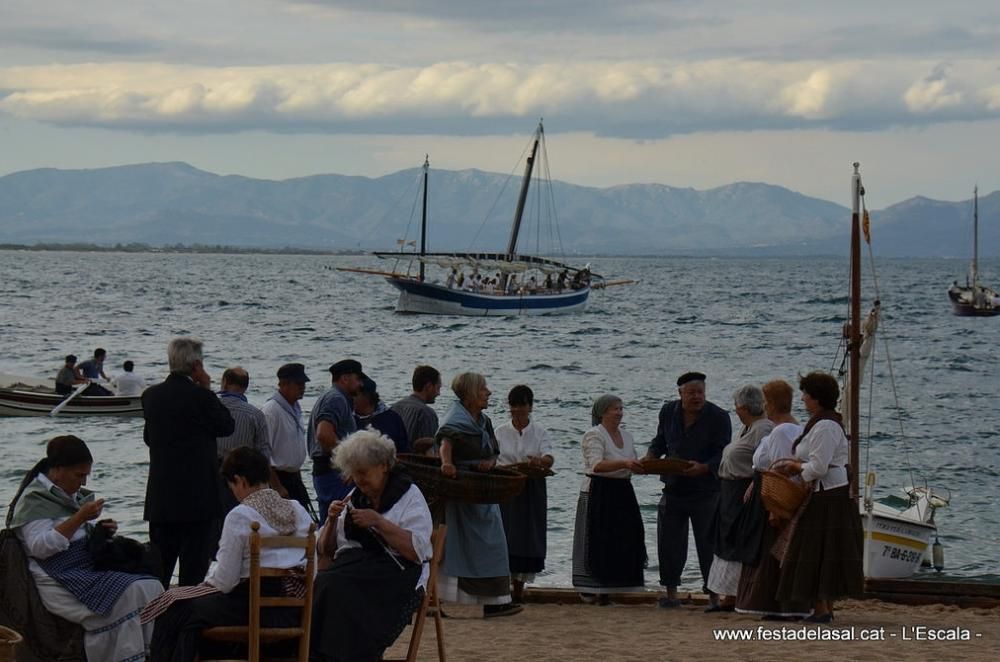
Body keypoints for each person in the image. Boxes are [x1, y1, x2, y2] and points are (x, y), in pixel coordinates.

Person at [146, 447, 313, 662]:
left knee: (173, 608)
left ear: (240, 481)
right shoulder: (298, 510)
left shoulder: (241, 515)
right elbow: (311, 564)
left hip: (251, 606)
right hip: (290, 610)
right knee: (188, 615)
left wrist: (203, 584)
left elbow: (225, 582)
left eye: (232, 486)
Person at [9, 435, 164, 661]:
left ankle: (148, 654)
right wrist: (81, 517)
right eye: (79, 475)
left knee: (151, 586)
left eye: (86, 476)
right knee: (131, 591)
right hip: (61, 575)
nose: (83, 483)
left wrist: (100, 530)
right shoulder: (35, 500)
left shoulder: (70, 496)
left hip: (85, 566)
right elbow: (39, 547)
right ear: (58, 470)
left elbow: (79, 533)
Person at [311, 430, 433, 661]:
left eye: (363, 473)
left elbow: (416, 551)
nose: (359, 480)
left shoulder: (409, 496)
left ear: (384, 466)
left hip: (396, 575)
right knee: (326, 583)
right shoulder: (356, 497)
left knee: (335, 585)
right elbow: (327, 550)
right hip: (356, 570)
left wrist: (378, 522)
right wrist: (332, 520)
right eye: (354, 474)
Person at [142, 336, 235, 587]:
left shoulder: (151, 396)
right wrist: (206, 388)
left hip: (162, 498)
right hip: (198, 499)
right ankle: (186, 623)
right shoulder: (200, 397)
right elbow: (226, 425)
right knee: (192, 575)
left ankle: (157, 623)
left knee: (159, 572)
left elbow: (149, 438)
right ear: (196, 365)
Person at [773, 371, 864, 623]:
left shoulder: (825, 425)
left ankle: (822, 608)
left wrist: (796, 467)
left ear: (817, 398)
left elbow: (819, 467)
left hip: (828, 496)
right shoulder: (822, 422)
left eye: (806, 395)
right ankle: (821, 607)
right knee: (819, 551)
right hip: (825, 493)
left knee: (817, 551)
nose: (802, 399)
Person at [436, 371, 522, 617]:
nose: (489, 392)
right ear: (471, 393)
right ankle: (438, 600)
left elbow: (493, 451)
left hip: (482, 491)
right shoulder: (455, 419)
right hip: (462, 491)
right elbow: (445, 444)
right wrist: (447, 463)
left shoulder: (483, 421)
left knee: (494, 543)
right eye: (483, 388)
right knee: (458, 546)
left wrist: (490, 462)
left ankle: (496, 601)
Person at [646, 371, 731, 608]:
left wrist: (704, 468)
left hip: (706, 490)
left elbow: (724, 452)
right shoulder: (668, 411)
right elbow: (660, 441)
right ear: (680, 393)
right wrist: (650, 457)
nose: (697, 397)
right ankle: (671, 593)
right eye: (691, 392)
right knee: (669, 542)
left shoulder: (719, 416)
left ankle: (714, 596)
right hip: (673, 486)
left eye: (701, 392)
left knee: (708, 544)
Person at [735, 379, 810, 619]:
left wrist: (774, 509)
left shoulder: (781, 431)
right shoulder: (796, 428)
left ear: (771, 404)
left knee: (773, 550)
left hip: (774, 495)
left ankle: (778, 605)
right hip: (767, 490)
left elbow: (779, 469)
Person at [571, 395, 646, 603]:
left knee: (623, 538)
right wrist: (625, 463)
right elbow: (596, 465)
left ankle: (612, 587)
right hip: (599, 490)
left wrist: (645, 466)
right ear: (603, 412)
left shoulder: (627, 436)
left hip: (622, 490)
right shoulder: (594, 435)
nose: (619, 412)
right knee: (597, 540)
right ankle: (592, 589)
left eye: (621, 408)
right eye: (615, 409)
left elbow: (632, 462)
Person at [705, 385, 773, 612]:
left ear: (744, 408)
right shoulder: (748, 428)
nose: (736, 411)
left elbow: (765, 461)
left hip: (742, 490)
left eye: (737, 407)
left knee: (737, 540)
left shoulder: (763, 429)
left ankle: (734, 595)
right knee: (727, 540)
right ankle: (729, 594)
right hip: (729, 490)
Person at [496, 385, 554, 602]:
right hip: (507, 486)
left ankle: (519, 589)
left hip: (531, 488)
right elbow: (495, 458)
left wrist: (540, 461)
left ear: (530, 407)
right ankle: (503, 587)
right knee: (506, 534)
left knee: (527, 536)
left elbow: (549, 457)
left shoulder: (539, 431)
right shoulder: (501, 431)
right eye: (513, 406)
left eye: (522, 405)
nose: (517, 410)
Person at [307, 359, 364, 526]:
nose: (360, 383)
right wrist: (350, 463)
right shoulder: (336, 399)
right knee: (342, 522)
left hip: (327, 471)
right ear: (345, 378)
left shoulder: (332, 397)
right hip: (335, 473)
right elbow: (324, 434)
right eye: (357, 378)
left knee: (329, 524)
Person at [215, 367, 277, 513]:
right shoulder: (255, 415)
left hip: (211, 474)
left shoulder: (210, 409)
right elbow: (264, 454)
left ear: (224, 383)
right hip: (242, 479)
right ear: (245, 387)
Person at [262, 363, 315, 517]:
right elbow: (264, 453)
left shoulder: (296, 408)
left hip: (294, 478)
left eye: (303, 384)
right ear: (284, 384)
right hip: (278, 479)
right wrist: (277, 486)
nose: (303, 387)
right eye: (298, 384)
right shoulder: (271, 410)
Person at [354, 376, 411, 454]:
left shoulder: (392, 419)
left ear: (367, 396)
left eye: (354, 395)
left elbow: (403, 450)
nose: (349, 398)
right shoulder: (346, 417)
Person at [391, 365, 442, 446]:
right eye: (438, 388)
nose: (438, 393)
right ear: (428, 386)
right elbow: (431, 450)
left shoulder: (394, 407)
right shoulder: (427, 413)